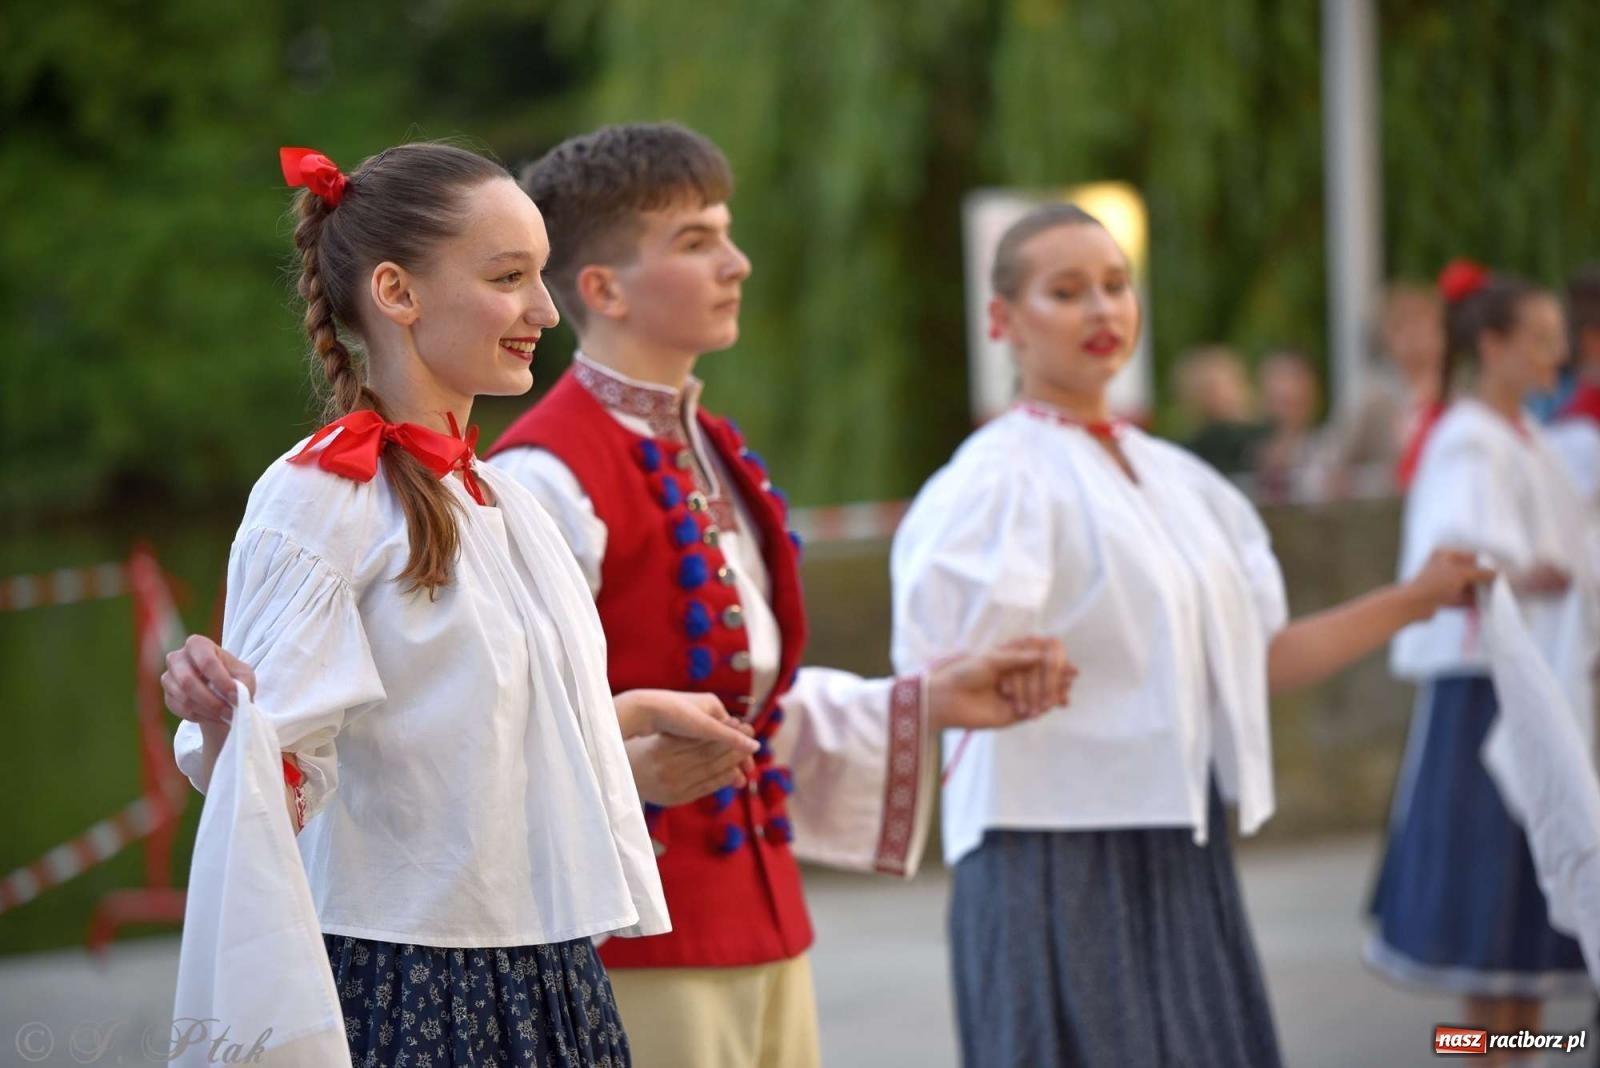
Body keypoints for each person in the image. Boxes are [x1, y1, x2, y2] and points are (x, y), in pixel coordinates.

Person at [160, 141, 764, 1066]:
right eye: (508, 276)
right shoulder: (323, 497)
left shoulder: (498, 498)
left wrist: (618, 723)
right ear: (397, 294)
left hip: (547, 963)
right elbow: (279, 787)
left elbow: (450, 740)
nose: (545, 310)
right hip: (415, 974)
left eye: (540, 275)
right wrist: (224, 726)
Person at [485, 122, 1075, 1068]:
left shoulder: (709, 444)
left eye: (726, 231)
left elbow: (743, 704)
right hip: (637, 946)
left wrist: (924, 702)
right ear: (601, 289)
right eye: (696, 241)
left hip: (764, 928)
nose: (738, 262)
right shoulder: (546, 476)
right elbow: (501, 724)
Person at [890, 202, 1493, 1068]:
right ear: (1003, 320)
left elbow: (1255, 660)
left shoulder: (1185, 484)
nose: (1102, 310)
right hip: (1050, 844)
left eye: (1115, 286)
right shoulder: (992, 480)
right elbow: (939, 673)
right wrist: (998, 669)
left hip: (1177, 833)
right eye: (1067, 292)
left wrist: (1416, 597)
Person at [1372, 262, 1598, 1063]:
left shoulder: (1526, 439)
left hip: (1536, 682)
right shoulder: (1468, 439)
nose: (1551, 361)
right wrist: (1522, 570)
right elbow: (1454, 555)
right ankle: (1482, 1056)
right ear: (1493, 346)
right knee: (1485, 920)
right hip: (1484, 690)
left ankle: (1516, 1054)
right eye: (1537, 344)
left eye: (1557, 346)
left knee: (1522, 937)